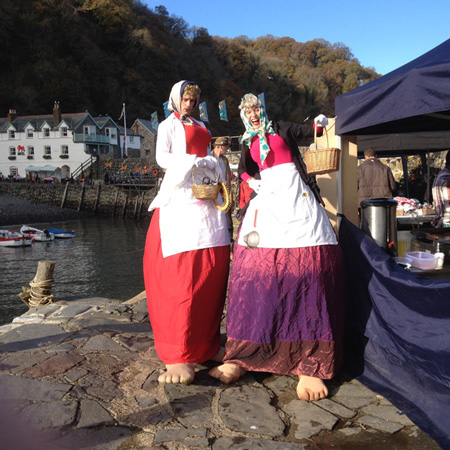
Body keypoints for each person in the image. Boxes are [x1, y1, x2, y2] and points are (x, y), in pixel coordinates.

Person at [209, 94, 346, 402]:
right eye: (248, 111)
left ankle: (309, 362)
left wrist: (321, 123)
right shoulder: (247, 141)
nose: (254, 115)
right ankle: (245, 353)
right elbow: (244, 170)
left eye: (257, 109)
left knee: (308, 271)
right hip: (266, 204)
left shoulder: (282, 129)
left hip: (298, 200)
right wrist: (252, 182)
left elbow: (312, 132)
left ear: (264, 110)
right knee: (255, 272)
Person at [143, 80, 231, 385]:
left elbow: (208, 152)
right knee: (181, 277)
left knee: (210, 274)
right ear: (175, 100)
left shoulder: (201, 124)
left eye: (194, 100)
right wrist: (196, 160)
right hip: (181, 199)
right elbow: (162, 159)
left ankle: (205, 345)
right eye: (186, 100)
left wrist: (213, 163)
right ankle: (179, 352)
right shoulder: (167, 125)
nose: (190, 104)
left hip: (204, 198)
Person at [212, 136, 234, 240]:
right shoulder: (210, 158)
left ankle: (229, 244)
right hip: (214, 194)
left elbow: (228, 176)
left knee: (228, 221)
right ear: (221, 146)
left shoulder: (224, 160)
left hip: (225, 193)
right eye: (226, 147)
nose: (227, 149)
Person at [432, 151, 450, 227]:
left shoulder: (441, 174)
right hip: (447, 221)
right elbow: (448, 204)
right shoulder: (447, 177)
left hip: (442, 220)